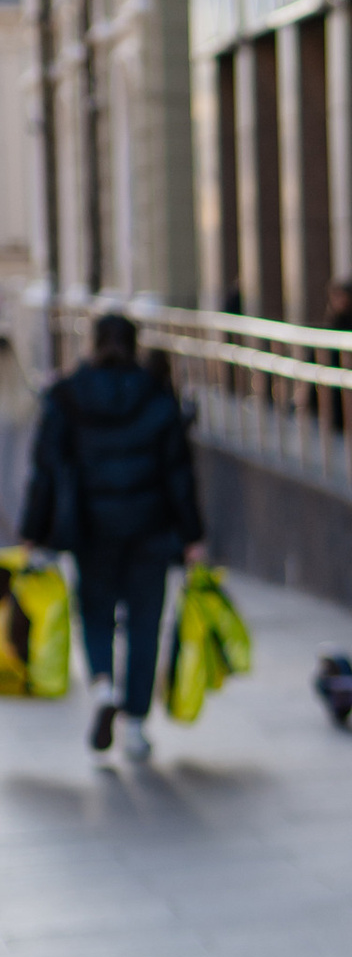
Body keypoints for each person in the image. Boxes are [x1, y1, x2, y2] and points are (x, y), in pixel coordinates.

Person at [21, 310, 206, 767]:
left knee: (97, 614)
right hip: (151, 527)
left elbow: (44, 471)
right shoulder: (156, 395)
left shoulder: (66, 396)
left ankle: (103, 686)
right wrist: (192, 535)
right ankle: (137, 727)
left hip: (91, 528)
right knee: (145, 623)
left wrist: (33, 532)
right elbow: (179, 474)